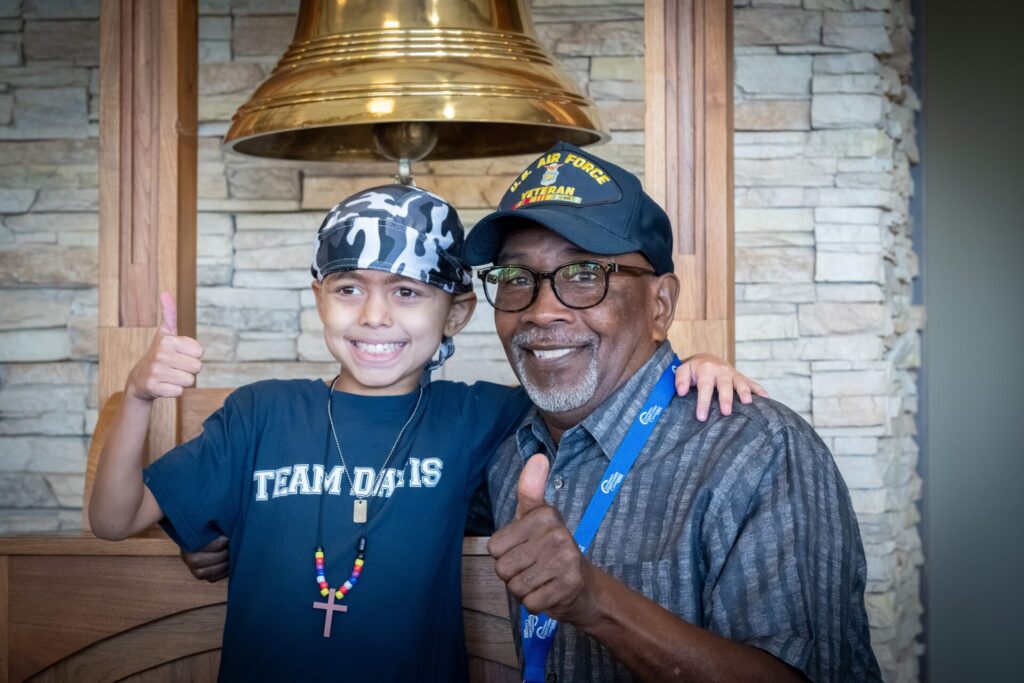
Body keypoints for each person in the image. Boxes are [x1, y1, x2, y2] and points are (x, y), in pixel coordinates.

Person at [89, 183, 763, 682]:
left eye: (409, 292)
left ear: (459, 312)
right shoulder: (260, 413)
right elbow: (115, 517)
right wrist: (139, 394)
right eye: (349, 288)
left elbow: (589, 397)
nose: (376, 316)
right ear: (318, 292)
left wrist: (680, 362)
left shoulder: (477, 417)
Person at [462, 141, 882, 682]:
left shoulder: (758, 450)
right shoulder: (502, 444)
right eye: (516, 278)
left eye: (586, 273)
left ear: (660, 305)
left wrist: (595, 600)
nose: (543, 310)